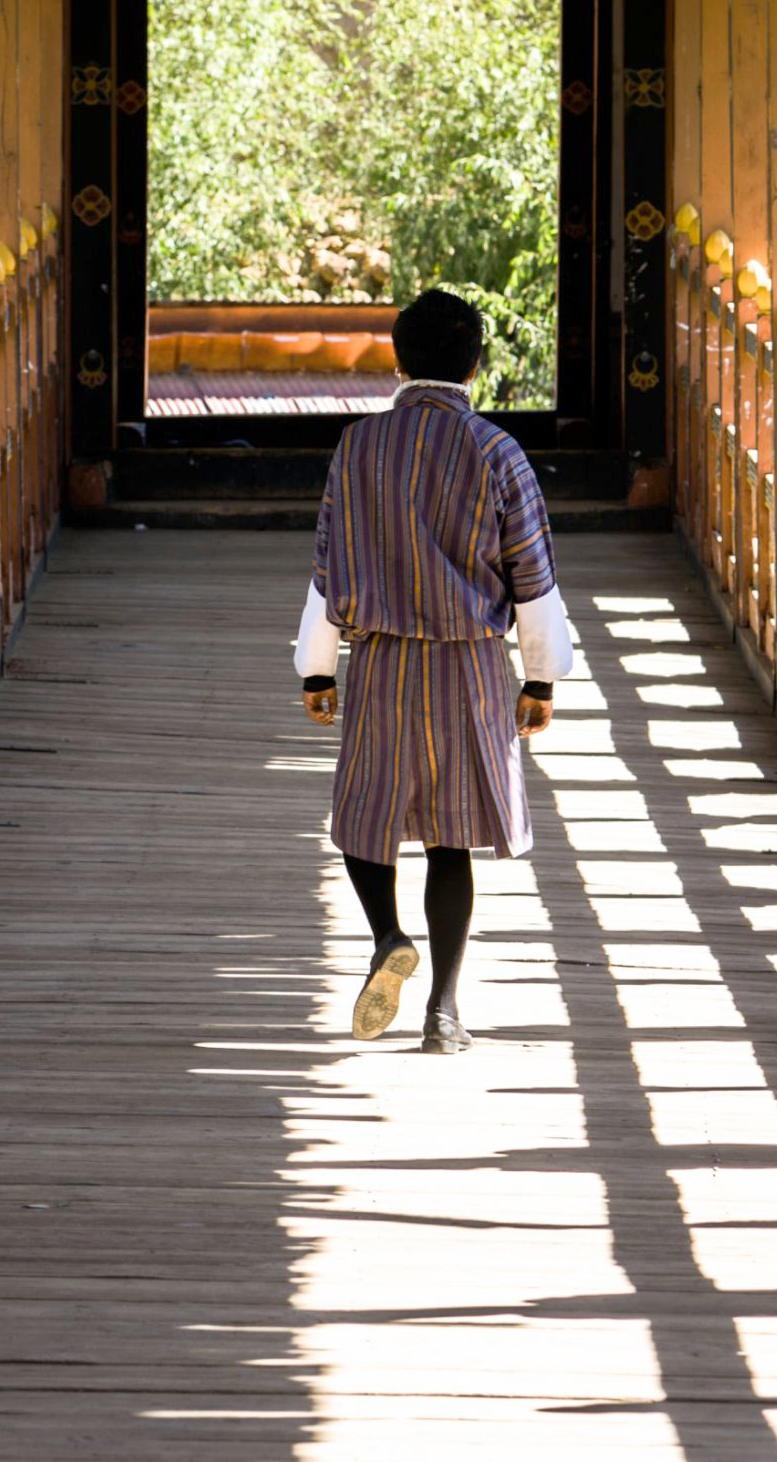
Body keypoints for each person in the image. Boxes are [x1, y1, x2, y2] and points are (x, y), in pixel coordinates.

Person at [292, 288, 575, 1053]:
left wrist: (318, 670)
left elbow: (330, 562)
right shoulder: (497, 451)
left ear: (397, 358)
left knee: (364, 818)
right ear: (476, 364)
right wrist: (541, 677)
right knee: (451, 839)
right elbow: (533, 575)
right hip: (470, 669)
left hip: (382, 661)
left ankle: (388, 933)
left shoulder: (358, 447)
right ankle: (445, 1013)